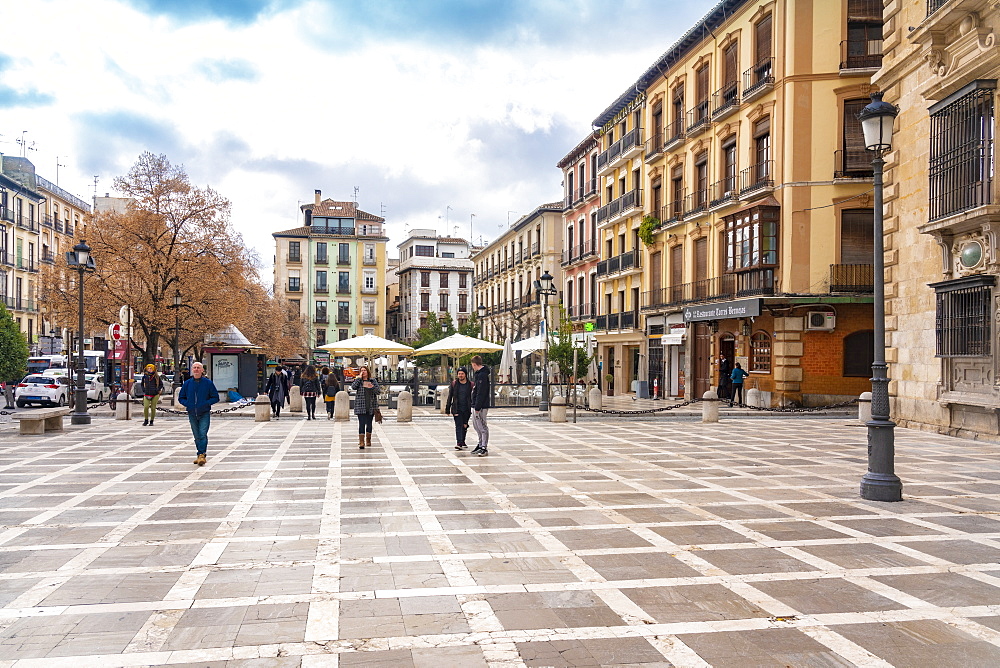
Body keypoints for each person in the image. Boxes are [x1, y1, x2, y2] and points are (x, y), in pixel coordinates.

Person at [178, 362, 220, 466]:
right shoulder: (187, 383)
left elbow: (215, 397)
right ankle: (199, 454)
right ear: (192, 370)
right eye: (194, 368)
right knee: (196, 435)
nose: (196, 369)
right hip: (192, 412)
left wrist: (206, 403)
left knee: (202, 433)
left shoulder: (208, 383)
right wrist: (188, 404)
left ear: (202, 370)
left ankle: (202, 454)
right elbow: (181, 397)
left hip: (204, 412)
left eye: (198, 368)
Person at [350, 366, 380, 449]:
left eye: (364, 370)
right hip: (360, 405)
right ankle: (361, 442)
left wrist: (372, 387)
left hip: (371, 405)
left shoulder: (372, 381)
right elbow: (353, 387)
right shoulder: (358, 381)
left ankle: (368, 439)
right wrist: (359, 378)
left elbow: (378, 391)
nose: (363, 372)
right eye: (361, 370)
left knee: (369, 423)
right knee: (361, 423)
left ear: (367, 371)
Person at [445, 367, 473, 450]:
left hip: (467, 408)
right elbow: (450, 396)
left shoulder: (470, 384)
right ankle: (459, 442)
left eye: (462, 374)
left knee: (464, 425)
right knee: (458, 425)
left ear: (465, 374)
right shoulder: (454, 384)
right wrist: (447, 408)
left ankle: (463, 441)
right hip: (457, 408)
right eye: (459, 374)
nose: (460, 375)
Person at [470, 355, 491, 457]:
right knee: (476, 425)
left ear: (474, 364)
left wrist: (477, 406)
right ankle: (480, 444)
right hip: (475, 404)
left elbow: (481, 392)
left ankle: (484, 447)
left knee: (482, 426)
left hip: (481, 405)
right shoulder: (478, 375)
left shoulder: (482, 375)